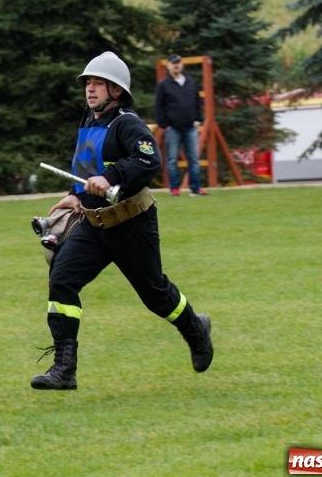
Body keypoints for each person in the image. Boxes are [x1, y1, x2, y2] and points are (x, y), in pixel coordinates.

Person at [30, 52, 213, 391]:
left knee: (156, 295)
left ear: (116, 90)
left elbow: (149, 160)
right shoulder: (89, 119)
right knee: (62, 280)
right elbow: (85, 166)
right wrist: (76, 195)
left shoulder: (127, 123)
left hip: (132, 224)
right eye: (88, 82)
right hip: (94, 224)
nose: (90, 89)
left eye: (98, 83)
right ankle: (64, 369)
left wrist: (112, 176)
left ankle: (195, 329)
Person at [154, 54, 206, 197]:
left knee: (194, 159)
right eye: (173, 63)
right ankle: (175, 188)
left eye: (178, 62)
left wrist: (198, 119)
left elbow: (198, 101)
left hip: (190, 127)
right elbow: (159, 106)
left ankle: (196, 188)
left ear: (181, 65)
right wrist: (164, 125)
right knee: (172, 160)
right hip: (173, 128)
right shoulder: (163, 84)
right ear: (169, 66)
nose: (176, 65)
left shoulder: (190, 82)